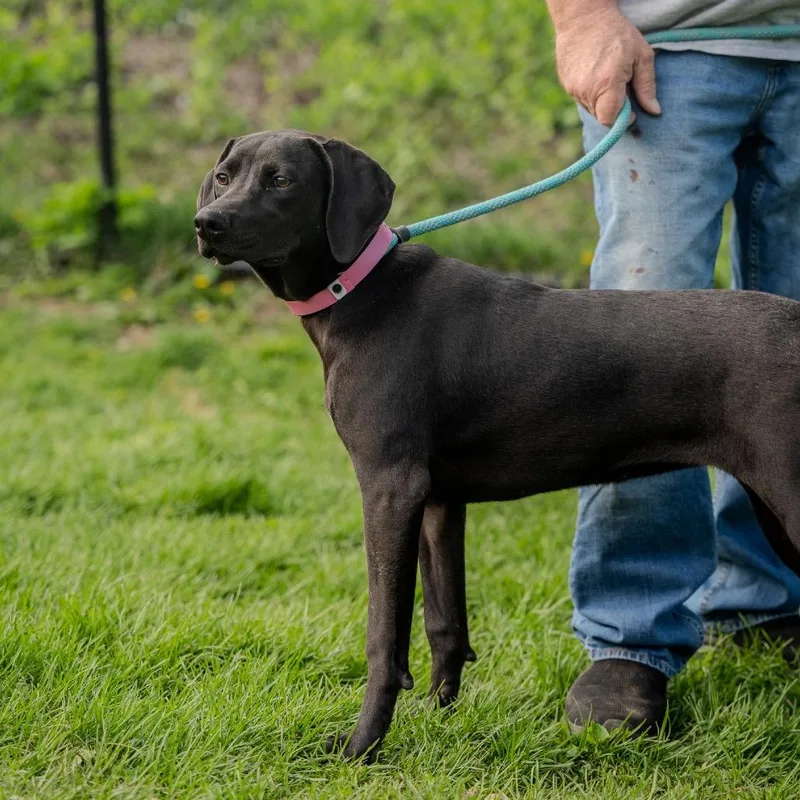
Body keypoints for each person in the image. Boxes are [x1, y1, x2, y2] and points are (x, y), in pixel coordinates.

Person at [544, 0, 800, 733]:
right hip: (666, 47)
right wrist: (583, 17)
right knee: (643, 349)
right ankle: (632, 633)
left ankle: (766, 594)